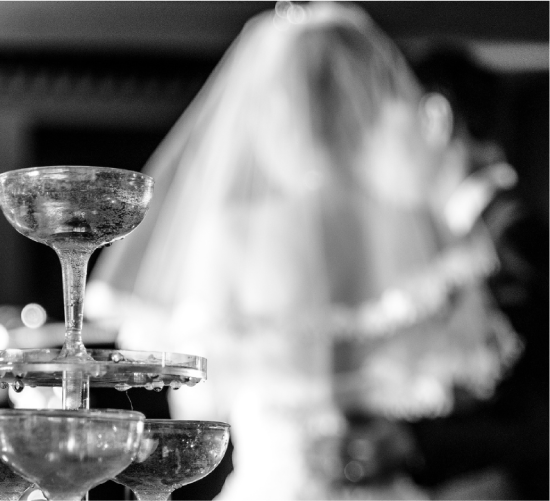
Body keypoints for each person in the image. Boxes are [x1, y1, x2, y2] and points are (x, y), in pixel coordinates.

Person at [86, 4, 518, 500]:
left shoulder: (234, 236)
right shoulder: (427, 232)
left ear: (271, 113)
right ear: (370, 102)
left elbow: (200, 406)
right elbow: (470, 383)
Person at [337, 48, 550, 501]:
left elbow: (535, 410)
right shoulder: (453, 240)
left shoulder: (515, 243)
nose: (371, 149)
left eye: (380, 125)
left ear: (436, 117)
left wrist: (415, 442)